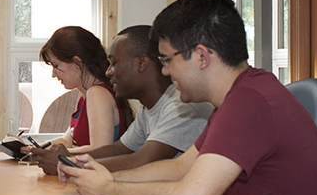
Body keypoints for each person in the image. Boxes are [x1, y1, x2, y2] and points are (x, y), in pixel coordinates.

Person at [58, 0, 317, 195]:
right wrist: (103, 176)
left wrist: (108, 190)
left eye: (167, 60)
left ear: (202, 56)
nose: (165, 71)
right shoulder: (237, 98)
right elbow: (181, 167)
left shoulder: (250, 102)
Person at [28, 24, 211, 175]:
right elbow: (119, 149)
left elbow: (140, 161)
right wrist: (66, 157)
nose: (108, 72)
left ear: (141, 63)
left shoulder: (182, 107)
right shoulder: (149, 111)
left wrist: (68, 164)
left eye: (114, 64)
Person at [38, 26, 131, 149]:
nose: (53, 74)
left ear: (77, 62)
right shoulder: (85, 98)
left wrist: (54, 154)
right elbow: (66, 141)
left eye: (56, 66)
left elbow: (99, 150)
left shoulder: (98, 94)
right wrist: (30, 149)